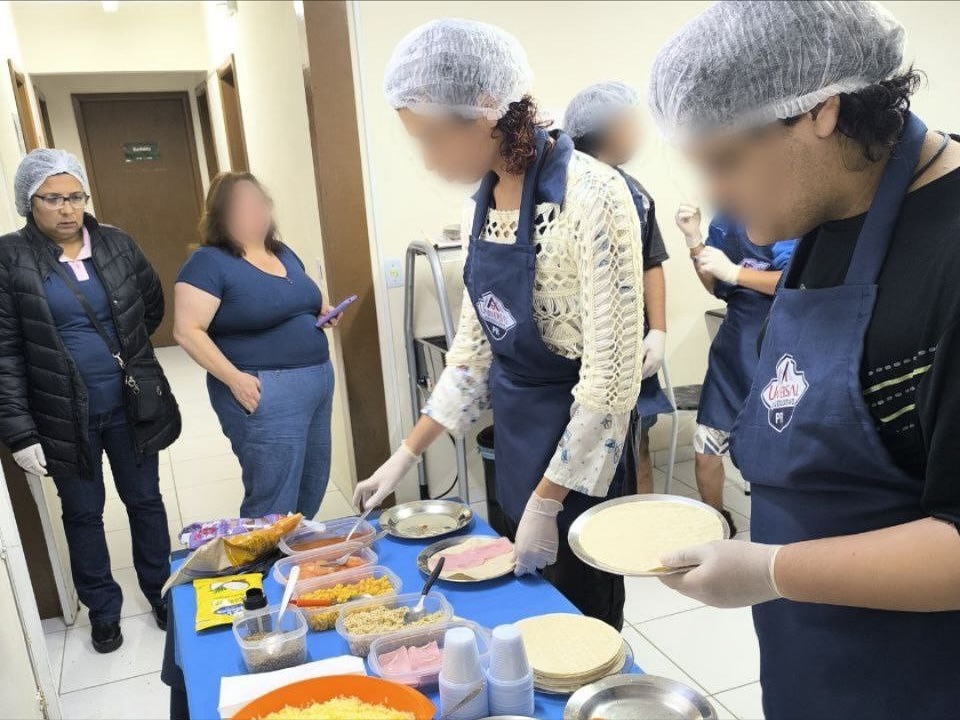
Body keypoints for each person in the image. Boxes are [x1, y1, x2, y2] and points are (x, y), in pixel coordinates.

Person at [648, 2, 960, 718]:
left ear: (822, 110)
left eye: (726, 161)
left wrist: (774, 569)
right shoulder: (826, 213)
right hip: (811, 661)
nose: (715, 193)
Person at [354, 19, 645, 628]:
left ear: (485, 111)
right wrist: (405, 456)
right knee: (522, 617)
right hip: (517, 442)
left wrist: (549, 500)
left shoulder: (594, 195)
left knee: (581, 621)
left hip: (582, 452)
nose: (428, 160)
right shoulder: (479, 206)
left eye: (432, 139)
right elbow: (472, 353)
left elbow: (611, 381)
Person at [0, 149, 181, 653]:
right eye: (52, 198)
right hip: (61, 414)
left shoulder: (117, 244)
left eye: (75, 196)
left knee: (145, 500)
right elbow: (5, 351)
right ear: (28, 202)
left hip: (130, 406)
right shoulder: (9, 258)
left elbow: (149, 306)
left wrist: (122, 359)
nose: (67, 208)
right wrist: (20, 432)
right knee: (82, 513)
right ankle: (103, 610)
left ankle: (161, 591)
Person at [174, 172, 338, 520]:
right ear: (220, 214)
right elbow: (187, 331)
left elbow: (297, 300)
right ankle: (262, 556)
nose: (255, 211)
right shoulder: (208, 262)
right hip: (262, 390)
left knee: (311, 483)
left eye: (259, 203)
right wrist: (235, 379)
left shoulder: (283, 253)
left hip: (316, 385)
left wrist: (321, 311)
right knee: (272, 499)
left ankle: (292, 553)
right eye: (242, 205)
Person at [563, 81, 672, 495]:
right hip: (574, 351)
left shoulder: (635, 195)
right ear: (611, 131)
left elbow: (651, 263)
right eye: (632, 123)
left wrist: (657, 331)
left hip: (629, 347)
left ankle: (638, 527)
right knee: (574, 452)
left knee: (635, 444)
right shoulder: (561, 189)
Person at [673, 207, 796, 534]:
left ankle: (777, 532)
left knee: (771, 457)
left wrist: (736, 272)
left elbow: (794, 280)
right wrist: (694, 241)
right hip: (732, 353)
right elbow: (715, 285)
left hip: (778, 351)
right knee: (706, 451)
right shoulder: (727, 221)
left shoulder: (786, 213)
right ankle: (715, 521)